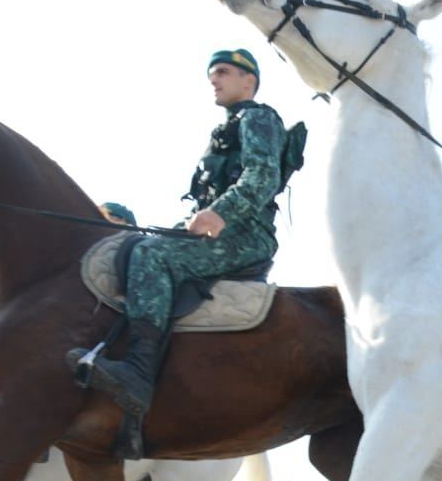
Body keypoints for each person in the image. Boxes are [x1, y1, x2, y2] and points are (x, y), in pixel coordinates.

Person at [68, 49, 298, 420]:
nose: (215, 81)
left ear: (248, 81)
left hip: (245, 235)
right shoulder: (228, 125)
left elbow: (262, 177)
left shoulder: (258, 117)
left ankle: (138, 374)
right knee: (135, 247)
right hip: (222, 230)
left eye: (223, 73)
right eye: (212, 76)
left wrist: (220, 212)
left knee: (152, 256)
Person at [0, 202, 136, 302]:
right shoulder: (72, 238)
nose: (101, 221)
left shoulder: (130, 253)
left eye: (110, 218)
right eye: (100, 216)